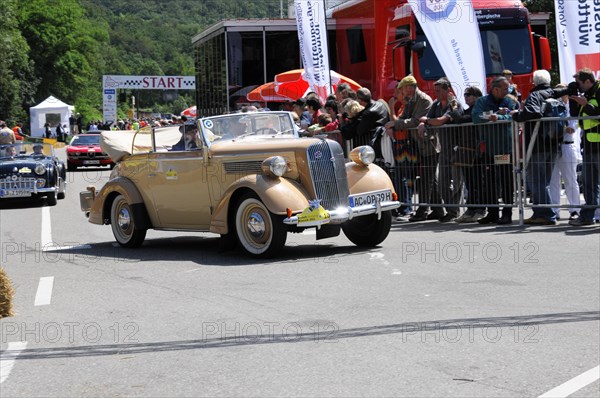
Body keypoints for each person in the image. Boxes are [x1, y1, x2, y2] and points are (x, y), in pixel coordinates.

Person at [385, 75, 434, 222]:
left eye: (402, 89)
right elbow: (403, 118)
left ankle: (424, 210)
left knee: (428, 179)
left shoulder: (423, 99)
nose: (402, 92)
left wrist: (394, 124)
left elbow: (414, 121)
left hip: (428, 144)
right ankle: (435, 209)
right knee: (429, 179)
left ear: (409, 87)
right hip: (418, 143)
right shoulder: (411, 100)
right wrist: (394, 123)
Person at [472, 76, 518, 225]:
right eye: (505, 89)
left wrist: (498, 116)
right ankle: (492, 213)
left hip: (504, 149)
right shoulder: (482, 101)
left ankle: (507, 214)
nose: (507, 91)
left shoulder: (509, 100)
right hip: (489, 149)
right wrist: (489, 116)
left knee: (506, 182)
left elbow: (512, 114)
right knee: (490, 182)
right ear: (495, 89)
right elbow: (476, 117)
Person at [419, 77, 464, 222]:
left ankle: (453, 211)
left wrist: (426, 121)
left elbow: (440, 121)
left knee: (457, 182)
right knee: (443, 183)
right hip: (443, 148)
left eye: (438, 91)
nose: (436, 93)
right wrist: (422, 122)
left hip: (458, 148)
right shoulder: (436, 104)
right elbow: (427, 117)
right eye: (435, 90)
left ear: (447, 90)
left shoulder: (454, 104)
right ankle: (451, 209)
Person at [569, 67, 600, 226]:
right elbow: (576, 116)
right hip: (588, 146)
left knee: (593, 183)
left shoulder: (598, 91)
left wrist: (586, 105)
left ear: (588, 81)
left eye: (579, 83)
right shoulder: (586, 94)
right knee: (588, 183)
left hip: (598, 145)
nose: (578, 86)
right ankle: (588, 217)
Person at [453, 86, 487, 223]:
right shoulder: (468, 110)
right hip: (466, 150)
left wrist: (455, 109)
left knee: (478, 181)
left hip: (477, 150)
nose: (466, 97)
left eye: (469, 94)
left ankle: (480, 209)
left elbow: (461, 119)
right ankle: (471, 209)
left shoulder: (478, 110)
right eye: (465, 94)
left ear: (476, 96)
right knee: (470, 182)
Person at [549, 83, 582, 222]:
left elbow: (571, 128)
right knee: (553, 181)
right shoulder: (552, 107)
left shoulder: (571, 108)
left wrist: (559, 129)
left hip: (567, 145)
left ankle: (574, 209)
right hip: (553, 146)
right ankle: (554, 210)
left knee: (570, 180)